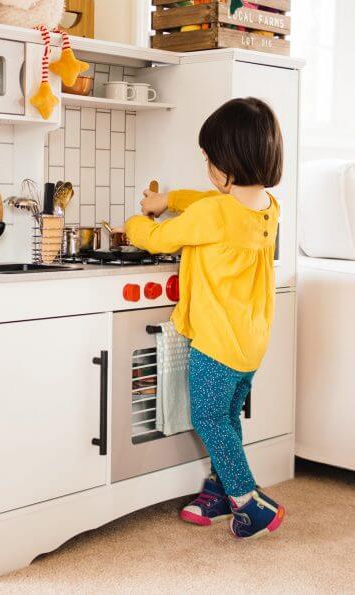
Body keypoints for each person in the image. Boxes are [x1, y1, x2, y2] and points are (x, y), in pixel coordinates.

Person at [123, 97, 286, 539]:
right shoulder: (267, 208)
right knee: (228, 416)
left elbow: (160, 238)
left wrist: (135, 223)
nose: (207, 166)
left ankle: (248, 501)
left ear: (226, 166)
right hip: (251, 341)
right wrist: (170, 198)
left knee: (209, 418)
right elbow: (208, 205)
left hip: (216, 341)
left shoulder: (214, 214)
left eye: (210, 158)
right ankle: (218, 489)